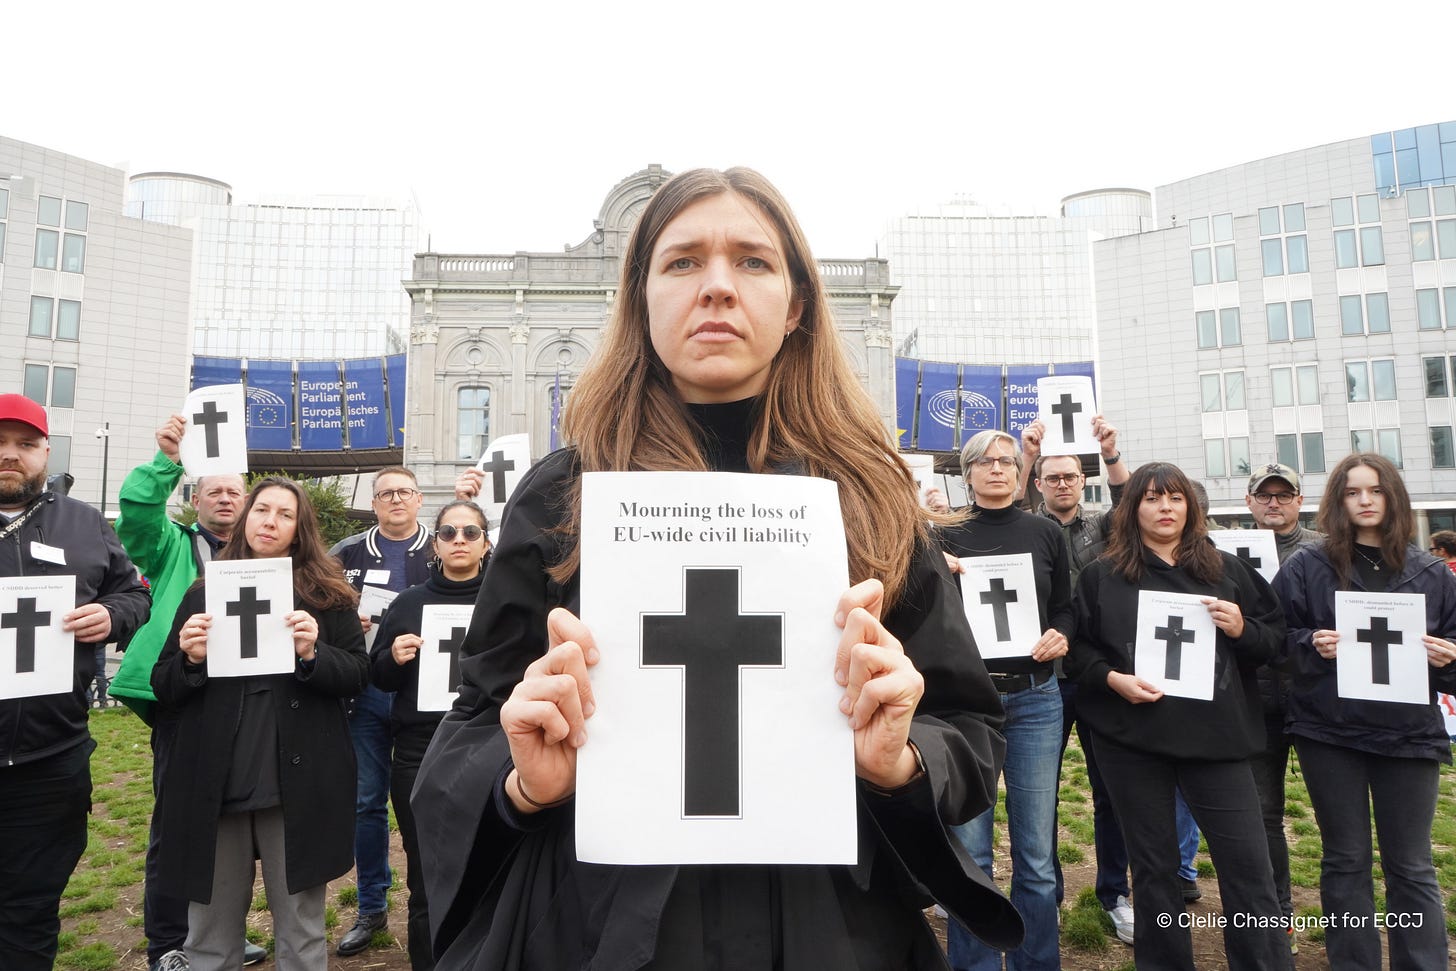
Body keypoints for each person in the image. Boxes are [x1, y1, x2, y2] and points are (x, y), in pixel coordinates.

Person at [412, 166, 1022, 969]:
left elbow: (969, 730)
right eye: (683, 261)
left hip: (825, 924)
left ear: (796, 302)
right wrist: (523, 781)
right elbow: (469, 730)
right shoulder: (563, 496)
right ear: (639, 297)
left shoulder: (868, 497)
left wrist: (901, 760)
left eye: (754, 261)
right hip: (593, 919)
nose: (719, 288)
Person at [1070, 461, 1286, 969]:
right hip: (1133, 743)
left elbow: (1274, 641)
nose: (1164, 507)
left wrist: (1241, 629)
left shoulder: (1228, 571)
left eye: (1175, 498)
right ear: (1131, 509)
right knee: (1153, 870)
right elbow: (1077, 649)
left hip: (1217, 743)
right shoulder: (1103, 575)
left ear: (1190, 506)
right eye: (1150, 498)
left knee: (1248, 870)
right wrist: (1111, 678)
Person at [151, 476, 368, 970]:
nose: (270, 521)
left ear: (300, 528)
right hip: (215, 786)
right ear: (246, 519)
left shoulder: (328, 596)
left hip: (296, 787)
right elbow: (165, 685)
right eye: (262, 509)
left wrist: (314, 652)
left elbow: (358, 673)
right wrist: (189, 658)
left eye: (285, 514)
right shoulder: (204, 593)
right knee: (208, 936)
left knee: (301, 932)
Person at [1271, 453, 1455, 970]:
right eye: (1353, 492)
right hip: (1330, 733)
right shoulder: (1308, 566)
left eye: (1375, 490)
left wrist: (1450, 657)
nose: (1365, 500)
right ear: (1338, 501)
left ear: (1392, 496)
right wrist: (1311, 643)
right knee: (1345, 860)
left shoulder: (1432, 573)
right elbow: (1273, 640)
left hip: (1409, 737)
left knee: (1412, 866)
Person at [0, 394, 151, 971]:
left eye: (25, 444)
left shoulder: (84, 522)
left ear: (45, 451)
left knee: (31, 910)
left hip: (51, 757)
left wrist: (113, 616)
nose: (11, 456)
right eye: (1, 444)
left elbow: (135, 593)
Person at [110, 415, 266, 971]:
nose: (225, 499)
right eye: (214, 492)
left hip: (249, 703)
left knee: (235, 822)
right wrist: (166, 462)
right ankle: (170, 943)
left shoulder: (267, 560)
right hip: (185, 698)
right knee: (178, 823)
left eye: (234, 491)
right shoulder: (172, 548)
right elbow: (137, 515)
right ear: (195, 501)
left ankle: (220, 933)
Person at [938, 430, 1071, 971]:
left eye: (1007, 461)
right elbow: (916, 610)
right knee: (971, 853)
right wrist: (935, 576)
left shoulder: (1046, 533)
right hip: (969, 703)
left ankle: (1037, 963)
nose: (998, 469)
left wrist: (1061, 634)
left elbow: (1066, 607)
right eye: (985, 462)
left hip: (1037, 699)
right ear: (967, 473)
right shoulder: (941, 535)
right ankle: (974, 966)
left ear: (1021, 472)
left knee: (1036, 856)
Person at [1019, 417, 1136, 942]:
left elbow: (1133, 504)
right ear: (1040, 484)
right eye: (1052, 477)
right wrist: (1026, 457)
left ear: (1081, 482)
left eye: (1071, 476)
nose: (1063, 484)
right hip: (1042, 678)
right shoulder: (1027, 527)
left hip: (1097, 674)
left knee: (1110, 791)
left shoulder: (1105, 528)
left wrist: (1110, 454)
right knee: (1038, 794)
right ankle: (1049, 893)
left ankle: (1114, 893)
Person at [369, 501, 491, 970]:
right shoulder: (409, 602)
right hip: (420, 750)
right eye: (448, 532)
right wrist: (394, 656)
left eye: (470, 531)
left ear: (485, 542)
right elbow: (378, 676)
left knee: (487, 865)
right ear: (436, 544)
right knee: (424, 873)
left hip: (489, 746)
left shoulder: (506, 601)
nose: (459, 539)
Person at [329, 466, 432, 955]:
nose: (396, 500)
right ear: (374, 503)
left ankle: (431, 899)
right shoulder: (345, 553)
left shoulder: (446, 543)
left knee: (429, 801)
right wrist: (344, 620)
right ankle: (371, 905)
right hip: (367, 694)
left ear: (417, 500)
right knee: (366, 801)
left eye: (404, 492)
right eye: (386, 493)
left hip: (427, 700)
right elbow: (313, 609)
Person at [1243, 461, 1319, 952]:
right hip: (1256, 700)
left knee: (1338, 817)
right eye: (1265, 495)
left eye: (1283, 494)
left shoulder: (1325, 549)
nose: (1274, 502)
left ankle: (1347, 920)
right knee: (1264, 814)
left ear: (1299, 498)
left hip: (1316, 700)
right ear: (1250, 501)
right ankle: (1278, 918)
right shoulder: (1228, 552)